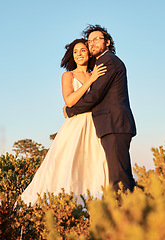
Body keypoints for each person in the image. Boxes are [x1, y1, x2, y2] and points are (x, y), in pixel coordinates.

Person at [20, 39, 108, 205]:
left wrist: (94, 76)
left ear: (89, 53)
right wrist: (90, 80)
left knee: (94, 163)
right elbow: (69, 101)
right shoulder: (69, 75)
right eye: (75, 52)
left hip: (95, 123)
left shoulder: (96, 72)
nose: (79, 54)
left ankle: (95, 203)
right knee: (69, 164)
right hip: (75, 126)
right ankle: (67, 204)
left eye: (82, 50)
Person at [65, 25, 137, 192]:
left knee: (119, 179)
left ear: (108, 42)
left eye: (97, 39)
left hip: (114, 124)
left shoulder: (108, 60)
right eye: (89, 41)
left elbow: (96, 95)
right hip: (110, 125)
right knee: (117, 175)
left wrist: (70, 111)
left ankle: (126, 213)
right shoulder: (103, 62)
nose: (92, 43)